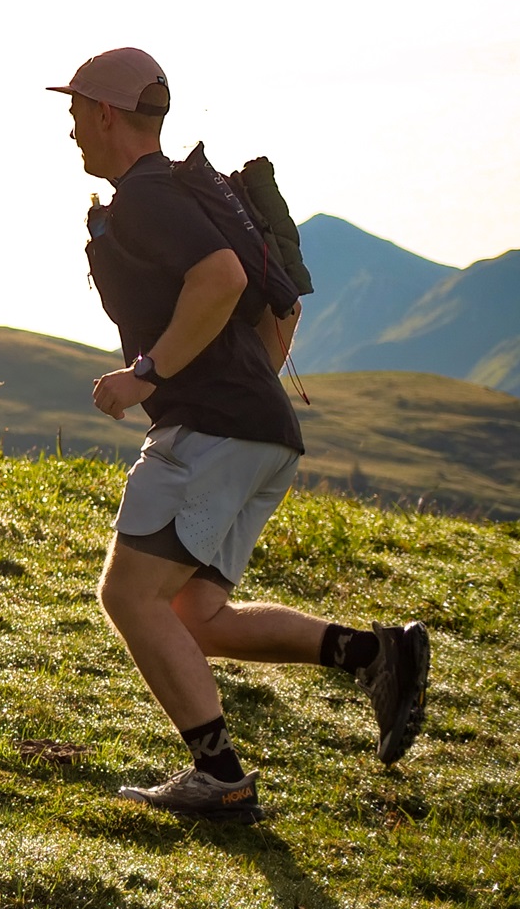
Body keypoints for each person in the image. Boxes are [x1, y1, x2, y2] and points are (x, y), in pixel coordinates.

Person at [56, 46, 429, 820]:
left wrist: (149, 375)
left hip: (215, 431)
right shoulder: (198, 195)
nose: (70, 133)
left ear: (105, 114)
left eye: (74, 114)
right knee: (197, 615)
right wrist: (246, 388)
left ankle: (219, 775)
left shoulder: (145, 200)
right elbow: (280, 302)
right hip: (261, 433)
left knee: (128, 594)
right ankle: (376, 653)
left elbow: (222, 279)